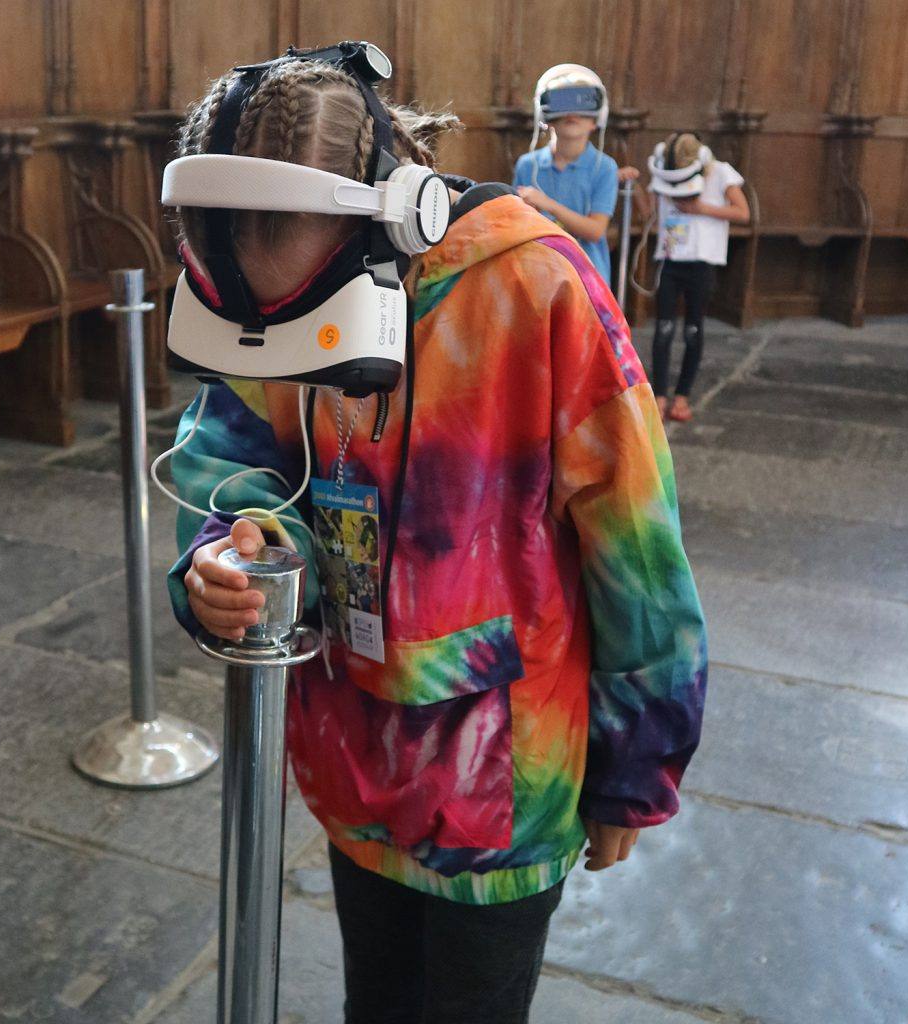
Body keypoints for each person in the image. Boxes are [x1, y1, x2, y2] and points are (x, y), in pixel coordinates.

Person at [166, 50, 707, 1024]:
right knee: (375, 1002)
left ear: (393, 212)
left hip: (503, 788)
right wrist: (223, 546)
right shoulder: (259, 278)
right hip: (352, 757)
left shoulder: (538, 285)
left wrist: (638, 768)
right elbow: (232, 457)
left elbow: (639, 547)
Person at [642, 132, 750, 421]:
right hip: (670, 259)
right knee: (663, 328)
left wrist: (702, 208)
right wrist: (634, 188)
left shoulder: (720, 172)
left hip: (701, 261)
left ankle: (682, 395)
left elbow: (743, 212)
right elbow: (649, 213)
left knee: (693, 329)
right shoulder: (664, 171)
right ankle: (660, 394)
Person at [513, 64, 637, 285]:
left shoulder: (605, 167)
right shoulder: (527, 165)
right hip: (537, 274)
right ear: (547, 117)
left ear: (596, 120)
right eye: (563, 104)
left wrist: (547, 204)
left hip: (587, 278)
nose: (572, 114)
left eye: (582, 106)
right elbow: (518, 225)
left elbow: (595, 231)